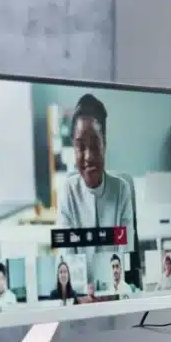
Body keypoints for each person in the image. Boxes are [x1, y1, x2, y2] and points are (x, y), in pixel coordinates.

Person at [57, 93, 136, 256]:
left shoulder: (121, 190)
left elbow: (126, 256)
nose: (88, 156)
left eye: (95, 145)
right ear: (73, 148)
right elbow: (68, 261)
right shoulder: (67, 193)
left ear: (104, 144)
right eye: (81, 146)